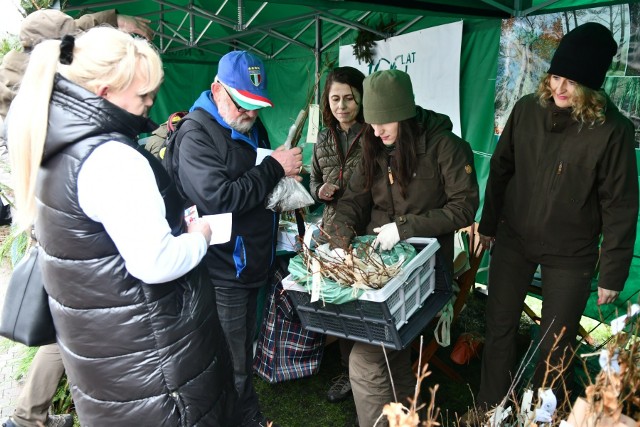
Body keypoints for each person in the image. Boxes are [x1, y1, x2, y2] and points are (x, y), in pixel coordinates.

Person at [7, 26, 238, 426]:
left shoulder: (55, 142)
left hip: (109, 362)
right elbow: (155, 262)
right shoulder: (112, 159)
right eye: (144, 95)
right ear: (105, 92)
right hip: (154, 371)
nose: (151, 104)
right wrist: (198, 238)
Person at [475, 22, 639, 416]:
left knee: (555, 343)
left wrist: (613, 274)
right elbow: (501, 168)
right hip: (514, 238)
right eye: (556, 77)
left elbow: (620, 205)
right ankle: (490, 411)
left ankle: (537, 415)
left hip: (571, 252)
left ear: (592, 87)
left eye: (572, 82)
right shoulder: (527, 110)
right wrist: (488, 224)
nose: (560, 88)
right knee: (498, 329)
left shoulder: (613, 130)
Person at [0, 9, 154, 427]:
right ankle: (29, 415)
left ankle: (31, 414)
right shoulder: (41, 90)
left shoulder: (29, 82)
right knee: (75, 323)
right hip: (58, 221)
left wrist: (119, 20)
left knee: (71, 319)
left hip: (48, 217)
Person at [328, 69, 479, 427]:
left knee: (366, 361)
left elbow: (464, 207)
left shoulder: (445, 146)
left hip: (425, 269)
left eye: (386, 123)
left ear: (406, 115)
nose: (377, 132)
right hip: (378, 267)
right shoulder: (372, 144)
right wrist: (339, 240)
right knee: (389, 354)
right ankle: (409, 419)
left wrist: (405, 227)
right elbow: (352, 200)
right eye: (372, 123)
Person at [167, 50, 302, 427]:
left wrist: (284, 181)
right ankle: (238, 417)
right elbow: (220, 199)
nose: (251, 114)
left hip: (251, 260)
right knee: (230, 356)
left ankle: (244, 412)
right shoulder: (196, 134)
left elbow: (257, 177)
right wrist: (275, 167)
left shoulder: (247, 125)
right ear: (217, 90)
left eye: (257, 106)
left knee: (243, 347)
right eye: (243, 104)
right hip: (222, 268)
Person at [309, 66, 366, 404]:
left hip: (368, 231)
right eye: (335, 99)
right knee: (344, 304)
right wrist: (321, 190)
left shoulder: (374, 133)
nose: (342, 106)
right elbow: (314, 180)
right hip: (334, 231)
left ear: (361, 98)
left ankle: (370, 369)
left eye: (349, 98)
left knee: (367, 304)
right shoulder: (325, 138)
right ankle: (348, 370)